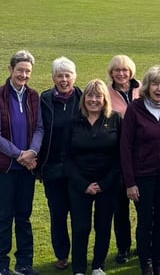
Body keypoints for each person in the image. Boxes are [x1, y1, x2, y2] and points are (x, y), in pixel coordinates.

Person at [0, 50, 43, 275]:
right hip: (5, 169)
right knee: (4, 217)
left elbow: (39, 127)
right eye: (20, 70)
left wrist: (33, 151)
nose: (24, 75)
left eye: (28, 71)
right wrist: (20, 155)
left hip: (26, 169)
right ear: (10, 70)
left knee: (23, 217)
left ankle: (24, 264)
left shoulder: (33, 96)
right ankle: (1, 266)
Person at [120, 64, 160, 275]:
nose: (159, 88)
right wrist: (130, 183)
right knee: (145, 221)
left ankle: (158, 260)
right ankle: (146, 263)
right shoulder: (135, 109)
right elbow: (125, 147)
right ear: (147, 86)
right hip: (142, 176)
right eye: (155, 84)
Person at [64, 79, 122, 275]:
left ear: (104, 98)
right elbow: (66, 157)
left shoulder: (115, 119)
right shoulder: (74, 121)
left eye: (98, 96)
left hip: (107, 183)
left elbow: (119, 157)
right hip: (79, 184)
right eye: (90, 95)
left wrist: (104, 184)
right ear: (84, 98)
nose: (94, 100)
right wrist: (83, 184)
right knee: (80, 227)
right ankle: (79, 269)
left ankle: (98, 266)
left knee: (103, 226)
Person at [38, 56, 82, 270]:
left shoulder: (83, 97)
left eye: (68, 75)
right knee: (58, 214)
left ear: (74, 77)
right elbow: (38, 130)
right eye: (59, 76)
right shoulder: (45, 99)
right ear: (53, 77)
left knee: (78, 213)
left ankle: (80, 254)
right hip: (53, 167)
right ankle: (62, 254)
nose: (64, 80)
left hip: (78, 169)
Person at [106, 54, 140, 264]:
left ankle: (143, 244)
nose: (121, 74)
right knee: (120, 208)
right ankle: (123, 247)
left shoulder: (141, 89)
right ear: (111, 73)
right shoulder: (107, 93)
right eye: (116, 70)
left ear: (131, 72)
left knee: (143, 206)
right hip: (116, 157)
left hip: (141, 156)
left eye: (124, 70)